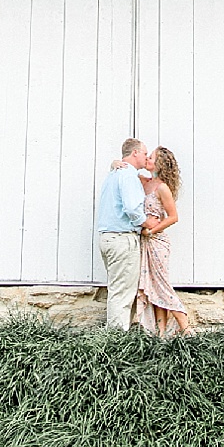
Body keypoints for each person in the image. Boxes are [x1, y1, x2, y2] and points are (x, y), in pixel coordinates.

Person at [133, 146, 194, 336]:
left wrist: (151, 230)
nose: (148, 159)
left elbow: (173, 216)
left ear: (159, 163)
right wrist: (116, 164)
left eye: (151, 157)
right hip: (145, 241)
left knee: (161, 284)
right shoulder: (144, 182)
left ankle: (185, 326)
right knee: (153, 287)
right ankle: (160, 334)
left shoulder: (162, 188)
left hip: (157, 241)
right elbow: (128, 172)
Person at [95, 138, 150, 330]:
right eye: (144, 153)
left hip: (108, 238)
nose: (146, 157)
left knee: (117, 290)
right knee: (122, 294)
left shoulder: (114, 174)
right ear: (134, 153)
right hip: (122, 239)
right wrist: (145, 222)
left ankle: (117, 336)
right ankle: (116, 342)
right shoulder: (128, 175)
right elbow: (132, 207)